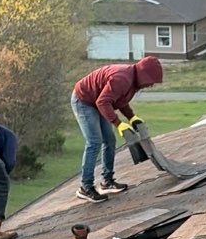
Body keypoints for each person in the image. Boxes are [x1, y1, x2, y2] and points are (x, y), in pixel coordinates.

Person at [70, 56, 164, 202]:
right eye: (151, 81)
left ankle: (107, 182)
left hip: (98, 101)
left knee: (109, 140)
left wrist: (132, 117)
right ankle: (85, 187)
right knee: (94, 142)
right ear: (144, 75)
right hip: (83, 101)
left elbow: (120, 100)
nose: (151, 85)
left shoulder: (132, 80)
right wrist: (118, 123)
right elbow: (103, 102)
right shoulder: (122, 78)